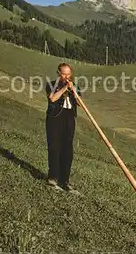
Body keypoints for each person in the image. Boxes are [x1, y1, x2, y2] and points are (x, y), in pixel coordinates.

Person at [45, 62, 82, 194]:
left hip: (69, 118)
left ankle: (64, 180)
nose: (66, 76)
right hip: (55, 118)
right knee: (55, 147)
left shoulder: (75, 85)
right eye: (64, 74)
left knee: (68, 149)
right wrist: (64, 88)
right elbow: (53, 99)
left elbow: (79, 103)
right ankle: (53, 178)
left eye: (68, 74)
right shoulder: (51, 84)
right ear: (58, 73)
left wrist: (73, 90)